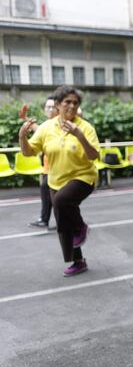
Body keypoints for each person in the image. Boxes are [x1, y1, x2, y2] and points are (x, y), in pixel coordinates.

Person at [18, 86, 100, 276]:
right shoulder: (47, 127)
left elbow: (93, 155)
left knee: (60, 201)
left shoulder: (85, 127)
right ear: (57, 105)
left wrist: (78, 135)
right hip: (56, 181)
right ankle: (78, 261)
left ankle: (81, 226)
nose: (72, 106)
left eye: (75, 102)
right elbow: (29, 151)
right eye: (67, 102)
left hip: (83, 177)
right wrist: (22, 136)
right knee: (63, 224)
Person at [25, 96, 58, 230]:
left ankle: (58, 220)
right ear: (44, 110)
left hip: (57, 170)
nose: (50, 109)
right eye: (48, 107)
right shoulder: (46, 126)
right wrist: (25, 119)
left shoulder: (60, 124)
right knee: (49, 195)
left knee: (55, 196)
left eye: (53, 107)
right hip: (47, 169)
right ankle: (46, 219)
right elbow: (39, 130)